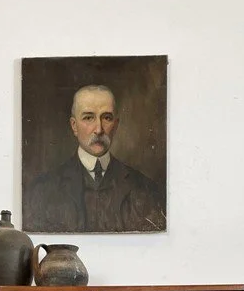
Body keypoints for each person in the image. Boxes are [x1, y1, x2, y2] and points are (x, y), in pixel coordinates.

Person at [23, 85, 166, 233]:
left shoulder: (146, 190)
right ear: (74, 126)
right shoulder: (42, 190)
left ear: (116, 125)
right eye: (88, 118)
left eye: (107, 118)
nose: (98, 129)